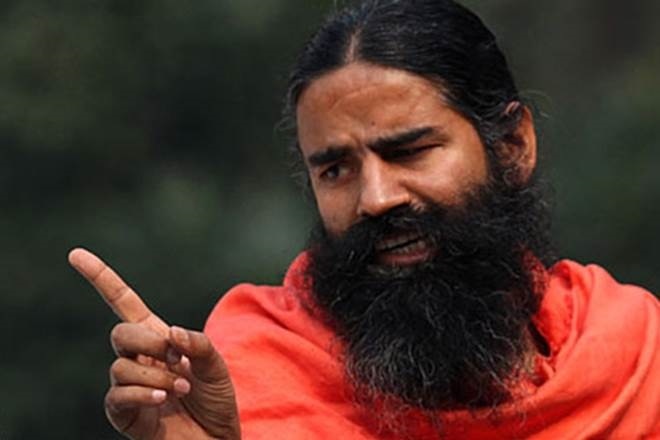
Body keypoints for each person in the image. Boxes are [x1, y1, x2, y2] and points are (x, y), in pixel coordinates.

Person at [68, 0, 659, 438]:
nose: (376, 199)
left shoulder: (635, 359)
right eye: (336, 170)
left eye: (410, 151)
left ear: (513, 146)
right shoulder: (249, 374)